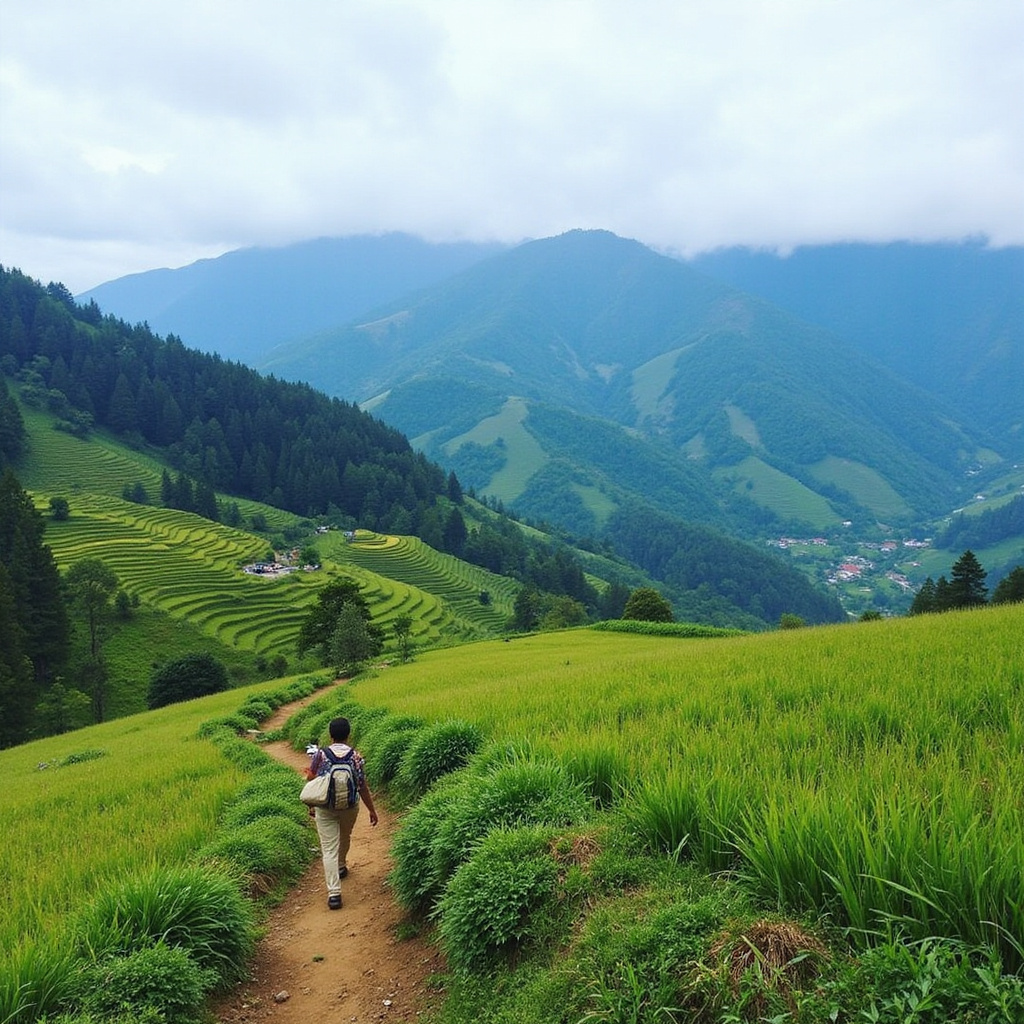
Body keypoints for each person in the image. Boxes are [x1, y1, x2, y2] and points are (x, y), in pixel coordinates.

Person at [305, 716, 378, 909]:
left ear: (330, 735)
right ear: (349, 735)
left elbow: (311, 778)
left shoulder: (320, 755)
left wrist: (311, 804)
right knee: (345, 837)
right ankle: (341, 865)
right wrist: (372, 810)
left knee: (328, 848)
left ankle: (334, 894)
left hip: (325, 807)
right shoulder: (356, 756)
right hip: (349, 807)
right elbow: (362, 787)